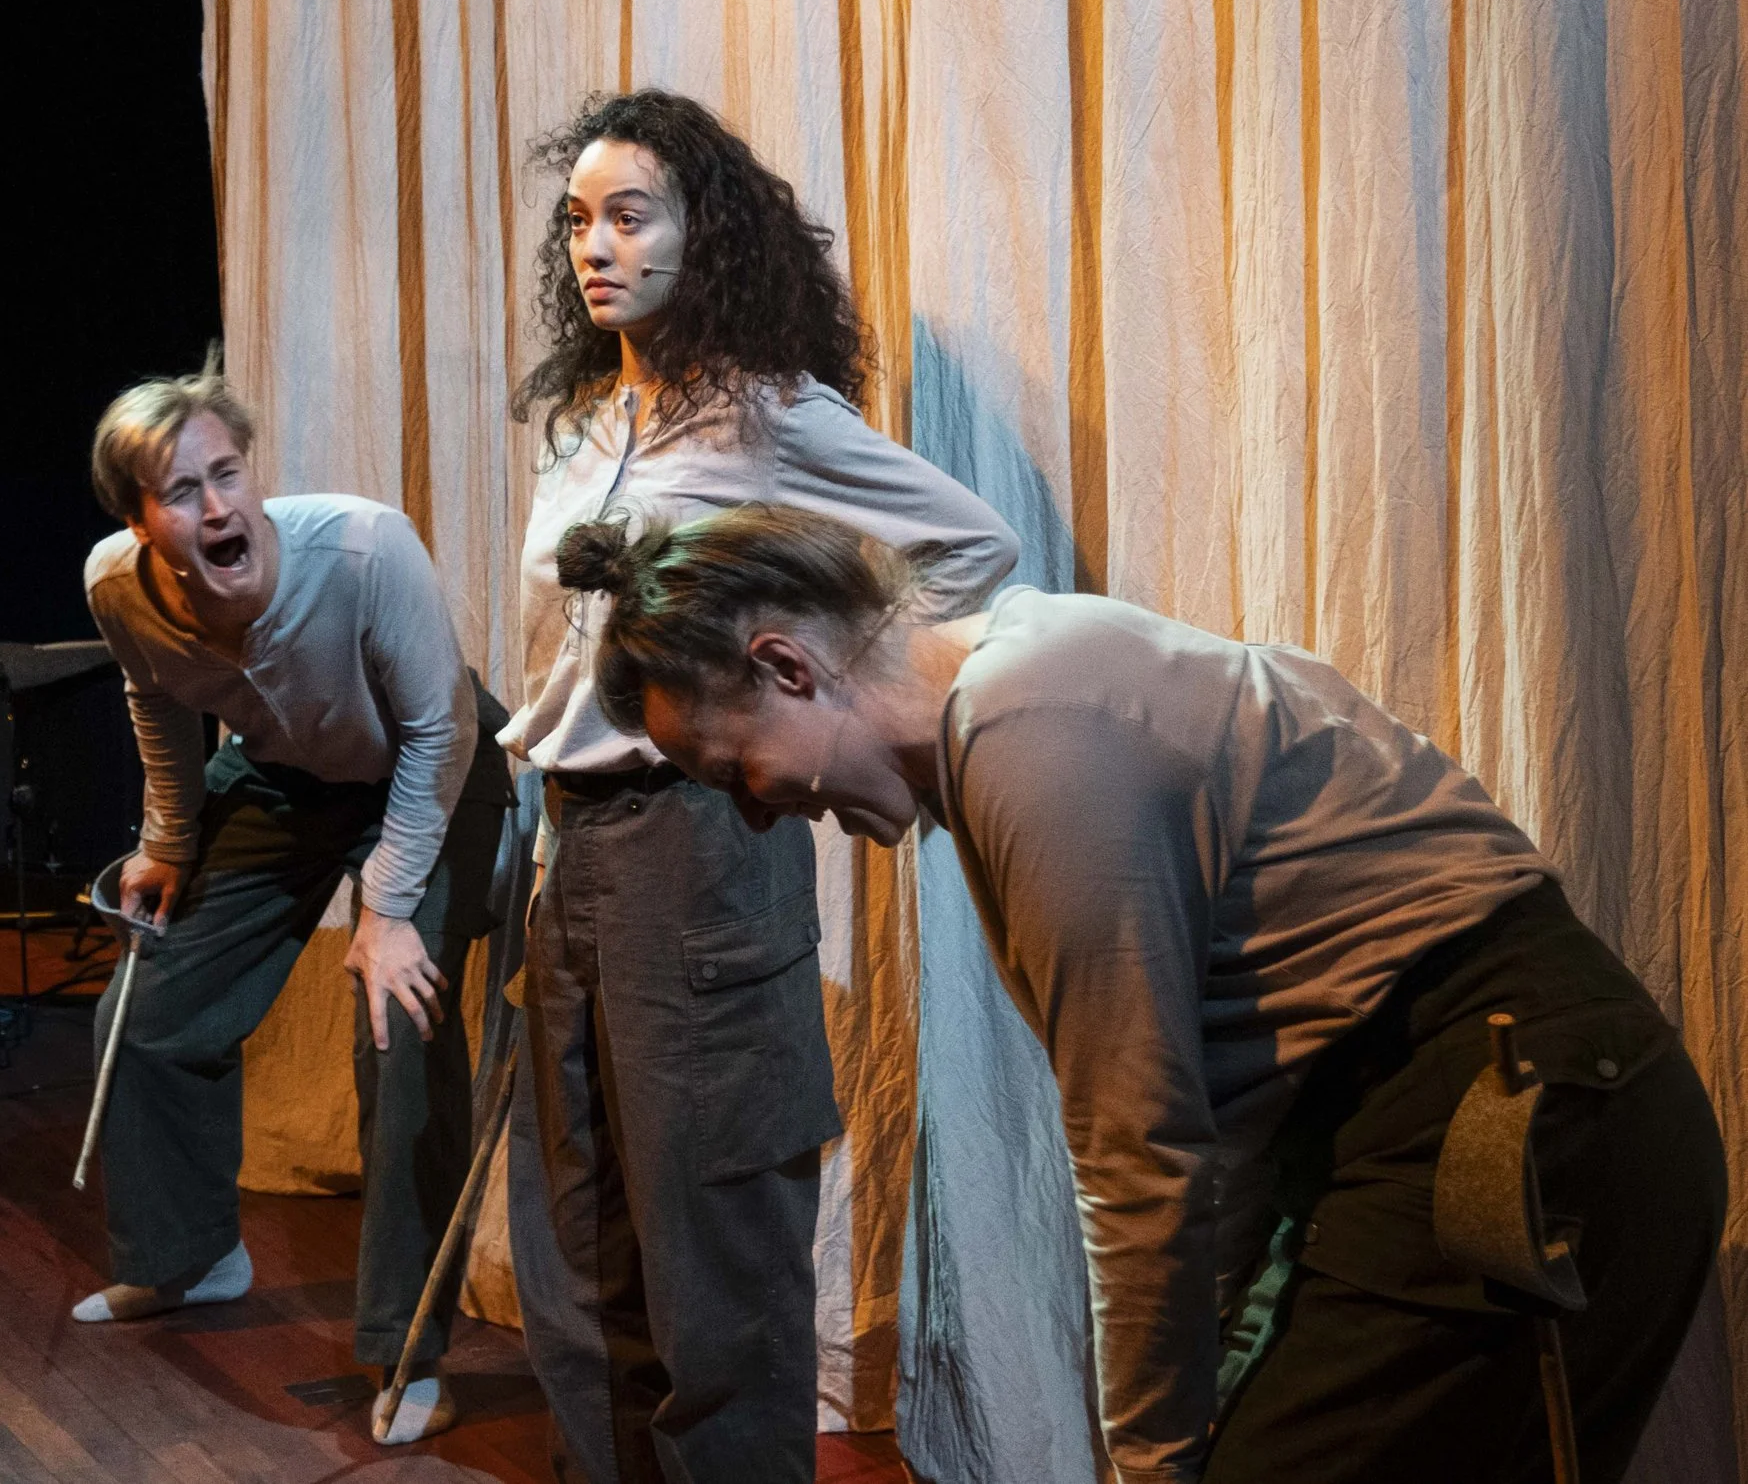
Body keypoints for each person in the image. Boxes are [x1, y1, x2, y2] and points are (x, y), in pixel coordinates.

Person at [559, 502, 1727, 1484]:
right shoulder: (1020, 687)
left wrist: (1155, 1463)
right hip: (1464, 1103)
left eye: (734, 770)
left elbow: (1143, 1154)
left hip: (1523, 1112)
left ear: (786, 663)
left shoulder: (1033, 730)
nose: (759, 810)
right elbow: (1218, 1125)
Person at [499, 89, 1018, 1482]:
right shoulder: (580, 421)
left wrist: (819, 686)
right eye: (578, 220)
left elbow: (970, 546)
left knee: (710, 1227)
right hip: (566, 843)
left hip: (698, 839)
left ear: (702, 228)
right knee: (577, 1228)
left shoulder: (769, 415)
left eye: (629, 213)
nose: (595, 245)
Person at [75, 358, 513, 1444]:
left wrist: (388, 906)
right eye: (183, 492)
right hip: (280, 777)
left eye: (227, 473)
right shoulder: (114, 585)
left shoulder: (363, 546)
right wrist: (166, 842)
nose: (219, 507)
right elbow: (159, 701)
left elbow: (438, 732)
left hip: (431, 775)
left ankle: (407, 1347)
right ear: (138, 519)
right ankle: (189, 1257)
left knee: (395, 1021)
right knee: (145, 1006)